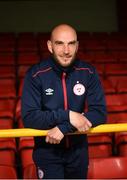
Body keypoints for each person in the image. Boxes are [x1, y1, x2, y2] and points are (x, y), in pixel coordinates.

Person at [21, 24, 107, 179]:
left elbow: (99, 113)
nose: (66, 51)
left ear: (77, 45)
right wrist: (68, 115)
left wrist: (65, 126)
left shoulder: (88, 72)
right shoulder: (35, 75)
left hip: (79, 151)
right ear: (50, 46)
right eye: (59, 43)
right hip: (47, 151)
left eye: (71, 43)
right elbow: (30, 118)